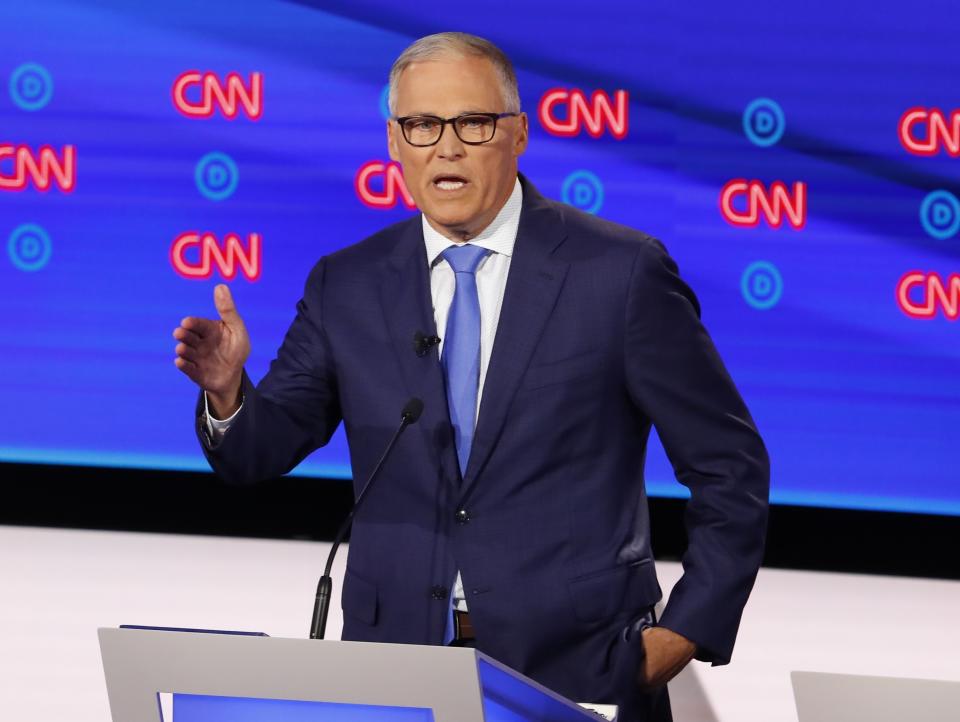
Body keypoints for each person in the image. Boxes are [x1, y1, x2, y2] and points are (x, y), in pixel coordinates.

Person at [173, 32, 769, 722]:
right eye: (422, 125)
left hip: (580, 666)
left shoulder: (620, 274)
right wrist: (226, 393)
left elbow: (730, 464)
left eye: (473, 123)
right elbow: (259, 452)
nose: (447, 147)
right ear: (395, 144)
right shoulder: (348, 283)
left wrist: (685, 630)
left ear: (518, 134)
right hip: (394, 666)